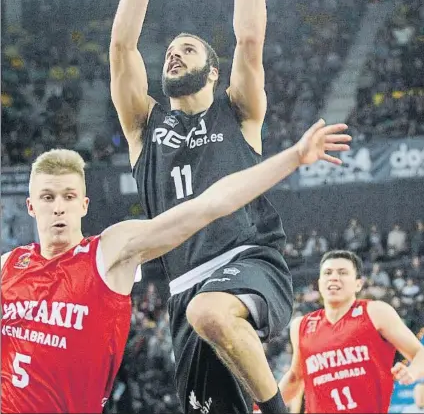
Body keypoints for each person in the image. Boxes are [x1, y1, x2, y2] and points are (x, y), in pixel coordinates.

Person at [109, 0, 352, 414]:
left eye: (188, 49)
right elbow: (122, 44)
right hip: (182, 288)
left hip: (248, 256)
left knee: (211, 313)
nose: (174, 55)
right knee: (205, 347)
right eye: (170, 50)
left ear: (213, 73)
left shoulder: (239, 113)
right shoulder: (143, 127)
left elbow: (250, 37)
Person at [1, 122, 349, 414]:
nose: (58, 207)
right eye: (48, 198)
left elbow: (209, 205)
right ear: (31, 206)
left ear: (84, 204)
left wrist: (294, 157)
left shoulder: (109, 252)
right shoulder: (8, 268)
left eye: (68, 197)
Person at [278, 250, 424, 413]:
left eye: (342, 272)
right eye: (328, 273)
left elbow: (420, 353)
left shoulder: (376, 312)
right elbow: (295, 378)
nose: (334, 277)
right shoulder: (301, 325)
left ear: (358, 284)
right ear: (319, 283)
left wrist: (412, 372)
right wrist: (260, 407)